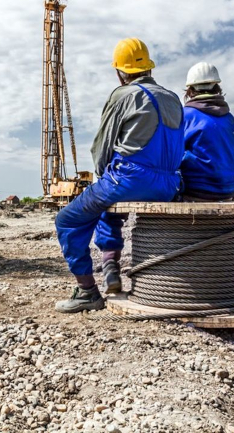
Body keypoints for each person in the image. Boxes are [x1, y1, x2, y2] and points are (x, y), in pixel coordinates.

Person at [54, 38, 184, 313]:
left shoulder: (123, 95)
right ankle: (110, 267)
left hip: (129, 178)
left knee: (67, 219)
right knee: (106, 205)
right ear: (149, 68)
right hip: (169, 184)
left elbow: (101, 146)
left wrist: (103, 176)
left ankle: (88, 291)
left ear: (119, 72)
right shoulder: (173, 98)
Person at [181, 62, 234, 201]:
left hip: (195, 190)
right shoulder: (229, 118)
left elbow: (172, 155)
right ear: (217, 87)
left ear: (190, 90)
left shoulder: (186, 116)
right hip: (227, 189)